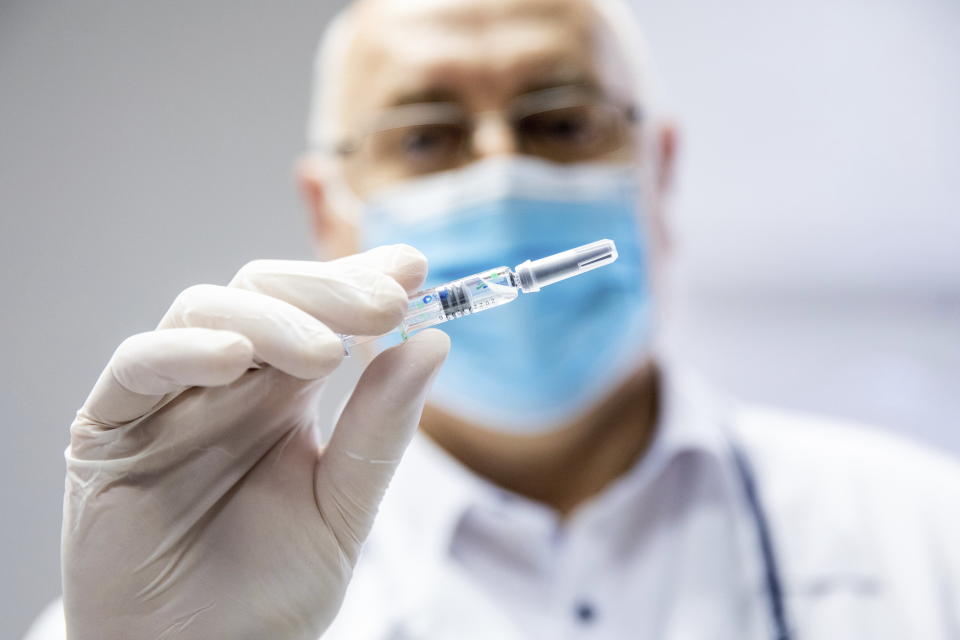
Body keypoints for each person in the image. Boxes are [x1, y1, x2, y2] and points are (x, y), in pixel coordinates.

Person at [26, 0, 960, 638]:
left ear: (658, 169)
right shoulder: (176, 581)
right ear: (328, 210)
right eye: (424, 136)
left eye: (560, 121)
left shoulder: (924, 533)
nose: (501, 172)